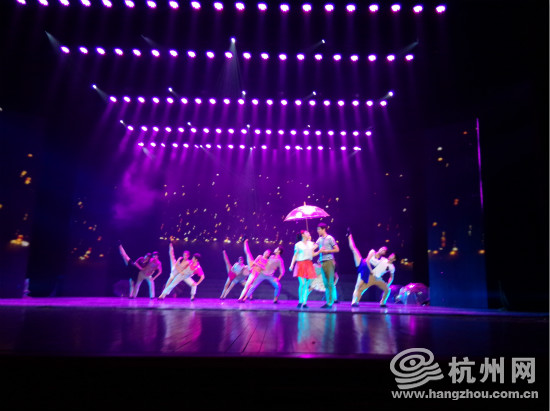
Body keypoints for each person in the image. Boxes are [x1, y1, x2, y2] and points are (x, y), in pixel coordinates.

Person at [349, 234, 396, 307]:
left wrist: (388, 283)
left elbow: (390, 276)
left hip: (376, 277)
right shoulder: (375, 253)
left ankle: (382, 303)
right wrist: (371, 270)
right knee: (360, 288)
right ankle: (355, 302)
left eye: (384, 250)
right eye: (382, 248)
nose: (382, 250)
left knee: (387, 290)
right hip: (367, 270)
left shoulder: (386, 263)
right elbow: (367, 260)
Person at [289, 230, 318, 308]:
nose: (309, 234)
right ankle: (300, 301)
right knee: (302, 283)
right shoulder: (298, 244)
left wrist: (318, 250)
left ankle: (304, 302)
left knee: (306, 284)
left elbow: (314, 251)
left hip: (309, 264)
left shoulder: (311, 244)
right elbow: (295, 255)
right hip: (300, 264)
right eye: (307, 233)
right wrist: (292, 265)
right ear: (303, 235)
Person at [315, 223, 339, 308]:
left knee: (330, 282)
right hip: (322, 262)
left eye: (319, 229)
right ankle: (328, 301)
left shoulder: (330, 238)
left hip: (329, 261)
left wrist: (327, 251)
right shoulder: (319, 239)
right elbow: (314, 247)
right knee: (325, 283)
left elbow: (337, 249)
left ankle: (330, 302)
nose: (317, 231)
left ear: (323, 229)